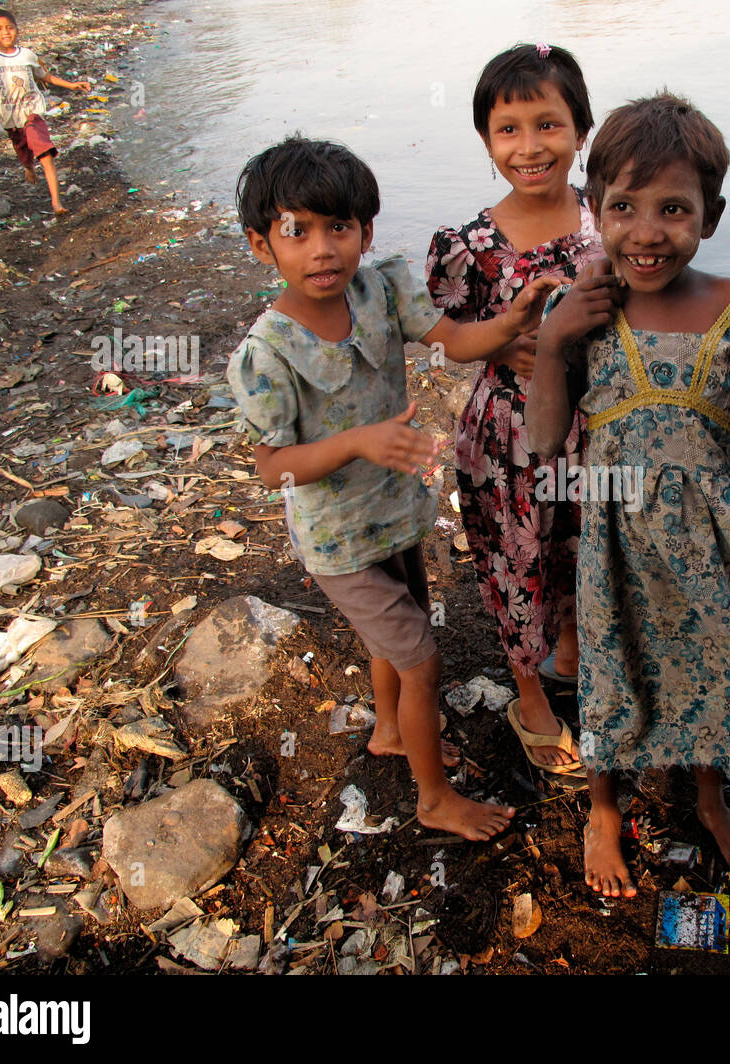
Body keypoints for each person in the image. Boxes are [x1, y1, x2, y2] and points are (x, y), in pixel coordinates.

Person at [227, 136, 565, 841]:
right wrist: (357, 441)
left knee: (399, 634)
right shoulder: (268, 352)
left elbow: (453, 338)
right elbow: (271, 467)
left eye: (338, 228)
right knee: (421, 656)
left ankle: (389, 730)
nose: (322, 248)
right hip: (338, 539)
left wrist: (513, 320)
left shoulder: (378, 289)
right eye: (297, 232)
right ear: (264, 246)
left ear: (366, 232)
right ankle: (433, 798)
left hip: (394, 515)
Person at [529, 93, 730, 897]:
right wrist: (550, 342)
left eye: (674, 209)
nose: (647, 232)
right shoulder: (580, 312)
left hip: (716, 536)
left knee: (715, 662)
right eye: (624, 208)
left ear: (710, 217)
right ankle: (604, 810)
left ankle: (710, 800)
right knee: (614, 668)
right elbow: (545, 439)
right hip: (616, 537)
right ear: (593, 210)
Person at [425, 43, 600, 783]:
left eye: (549, 125)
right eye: (508, 130)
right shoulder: (467, 247)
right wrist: (511, 334)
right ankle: (529, 699)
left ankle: (573, 656)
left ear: (582, 130)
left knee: (586, 554)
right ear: (486, 140)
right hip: (511, 437)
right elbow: (448, 342)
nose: (530, 148)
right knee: (518, 562)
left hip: (598, 427)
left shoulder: (611, 219)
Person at [0, 9, 90, 215]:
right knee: (23, 152)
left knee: (46, 154)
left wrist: (72, 85)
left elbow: (46, 77)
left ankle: (56, 203)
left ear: (17, 29)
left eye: (10, 27)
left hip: (32, 114)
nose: (6, 33)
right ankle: (28, 166)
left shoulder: (27, 55)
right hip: (10, 118)